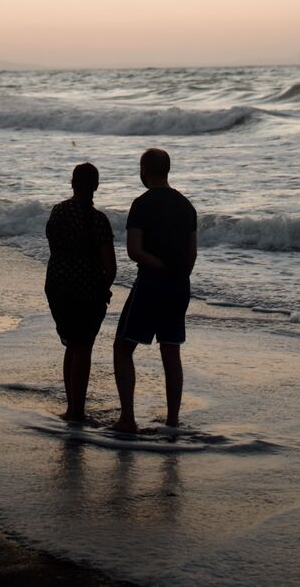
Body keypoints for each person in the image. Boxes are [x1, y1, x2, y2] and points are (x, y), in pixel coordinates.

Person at [110, 148, 197, 433]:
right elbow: (192, 254)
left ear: (145, 170)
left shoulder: (142, 204)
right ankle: (173, 420)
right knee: (171, 352)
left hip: (150, 284)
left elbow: (134, 250)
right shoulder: (186, 206)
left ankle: (127, 418)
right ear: (167, 170)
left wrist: (158, 265)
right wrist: (176, 272)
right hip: (178, 285)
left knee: (123, 347)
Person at [45, 162, 116, 422]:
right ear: (96, 186)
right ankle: (77, 411)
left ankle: (71, 405)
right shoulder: (97, 220)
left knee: (71, 344)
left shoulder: (58, 212)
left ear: (72, 183)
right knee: (83, 347)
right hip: (86, 290)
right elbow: (110, 267)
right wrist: (102, 290)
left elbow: (54, 246)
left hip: (57, 285)